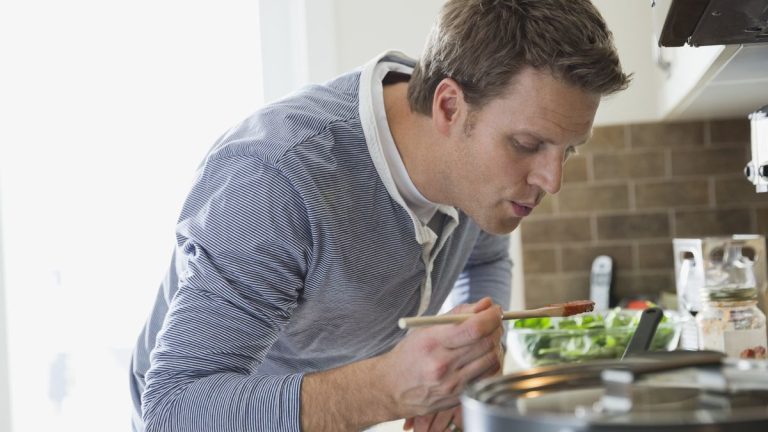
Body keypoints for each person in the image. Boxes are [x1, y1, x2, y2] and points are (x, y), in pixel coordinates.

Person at [130, 0, 629, 430]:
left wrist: (468, 355)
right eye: (527, 145)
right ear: (449, 107)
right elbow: (175, 410)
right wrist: (385, 389)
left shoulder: (481, 179)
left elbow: (484, 260)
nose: (551, 181)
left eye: (568, 151)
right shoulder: (273, 179)